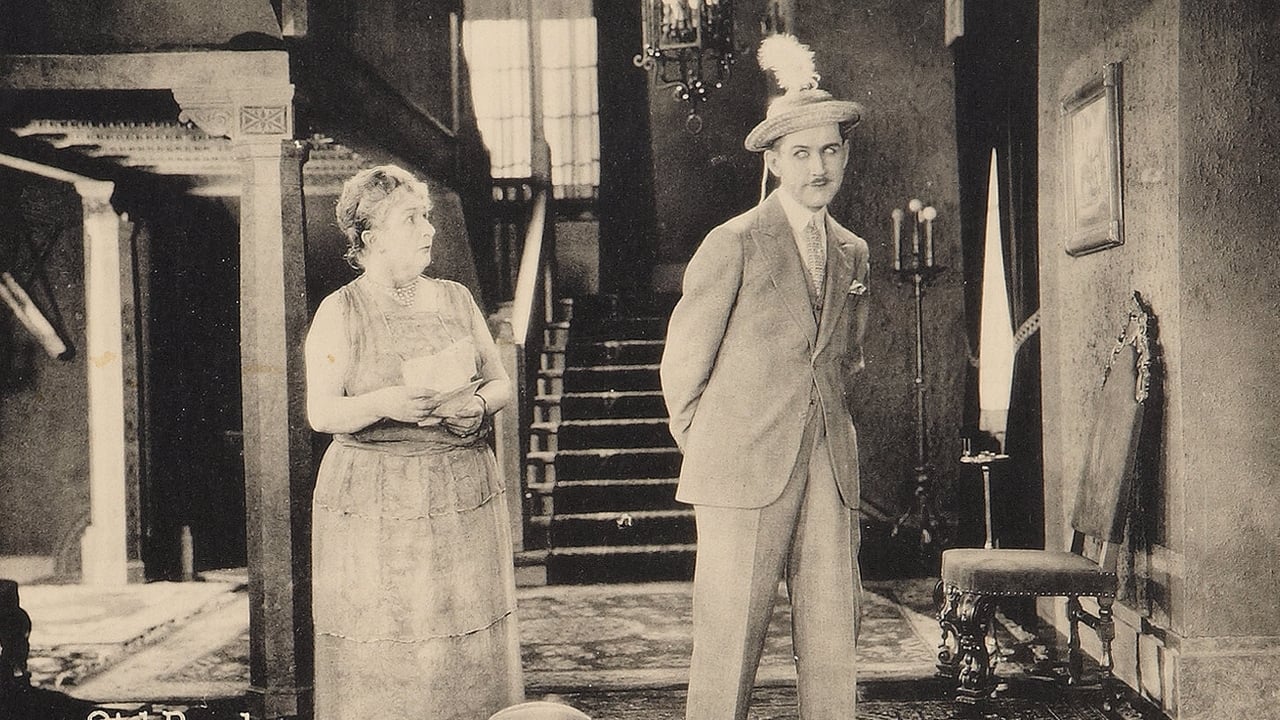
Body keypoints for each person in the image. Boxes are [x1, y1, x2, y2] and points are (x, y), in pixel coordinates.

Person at [660, 34, 870, 720]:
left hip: (828, 464)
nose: (819, 166)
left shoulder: (853, 252)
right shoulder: (735, 242)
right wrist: (711, 447)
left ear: (845, 156)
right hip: (740, 465)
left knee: (833, 632)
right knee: (729, 638)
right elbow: (684, 364)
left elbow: (846, 358)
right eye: (802, 153)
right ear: (775, 161)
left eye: (830, 150)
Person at [304, 165, 523, 719]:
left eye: (426, 216)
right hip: (375, 496)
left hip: (459, 487)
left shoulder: (456, 298)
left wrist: (479, 406)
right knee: (388, 630)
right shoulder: (340, 309)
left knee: (458, 627)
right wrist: (385, 403)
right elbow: (321, 412)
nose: (429, 229)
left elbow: (500, 382)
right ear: (371, 236)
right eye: (411, 218)